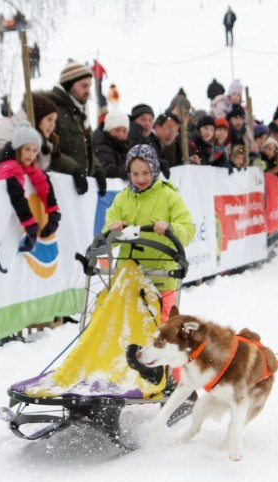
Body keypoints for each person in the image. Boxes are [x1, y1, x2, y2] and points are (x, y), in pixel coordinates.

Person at [103, 144, 194, 323]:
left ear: (154, 169)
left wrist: (170, 228)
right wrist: (112, 230)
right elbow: (107, 238)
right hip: (129, 277)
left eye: (145, 173)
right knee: (127, 330)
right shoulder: (122, 199)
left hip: (163, 277)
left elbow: (188, 230)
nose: (141, 178)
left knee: (161, 333)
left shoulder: (169, 196)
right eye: (135, 174)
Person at [0, 123, 61, 253]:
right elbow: (17, 196)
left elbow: (42, 181)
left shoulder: (27, 165)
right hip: (2, 230)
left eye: (35, 150)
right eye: (27, 149)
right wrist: (30, 225)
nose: (31, 155)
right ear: (18, 148)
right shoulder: (9, 167)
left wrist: (53, 213)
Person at [45, 61, 107, 197]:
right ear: (69, 85)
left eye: (89, 86)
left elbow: (86, 147)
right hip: (59, 191)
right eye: (84, 86)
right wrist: (74, 169)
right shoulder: (53, 111)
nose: (88, 91)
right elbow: (48, 150)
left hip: (79, 195)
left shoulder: (81, 111)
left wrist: (97, 169)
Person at [0, 94, 61, 180]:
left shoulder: (37, 139)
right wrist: (14, 178)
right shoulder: (12, 137)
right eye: (49, 119)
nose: (53, 125)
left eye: (54, 120)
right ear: (38, 118)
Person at [94, 110, 130, 179]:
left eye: (124, 130)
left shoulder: (123, 146)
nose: (121, 134)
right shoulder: (102, 145)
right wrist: (134, 172)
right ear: (108, 129)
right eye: (117, 129)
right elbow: (108, 170)